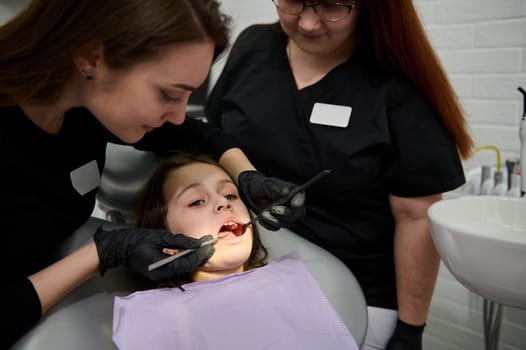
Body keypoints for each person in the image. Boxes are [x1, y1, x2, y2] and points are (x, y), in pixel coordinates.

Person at [0, 1, 305, 347]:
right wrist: (101, 254)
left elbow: (194, 134)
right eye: (169, 95)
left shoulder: (81, 108)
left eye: (230, 195)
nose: (176, 115)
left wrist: (247, 177)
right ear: (90, 57)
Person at [204, 1, 474, 349]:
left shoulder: (395, 87)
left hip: (354, 295)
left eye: (332, 6)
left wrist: (410, 330)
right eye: (293, 2)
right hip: (249, 272)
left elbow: (415, 216)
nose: (308, 22)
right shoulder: (255, 47)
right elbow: (213, 139)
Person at [113, 152, 359, 349]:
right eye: (197, 201)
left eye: (231, 194)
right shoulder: (156, 320)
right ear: (162, 238)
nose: (224, 203)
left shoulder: (295, 282)